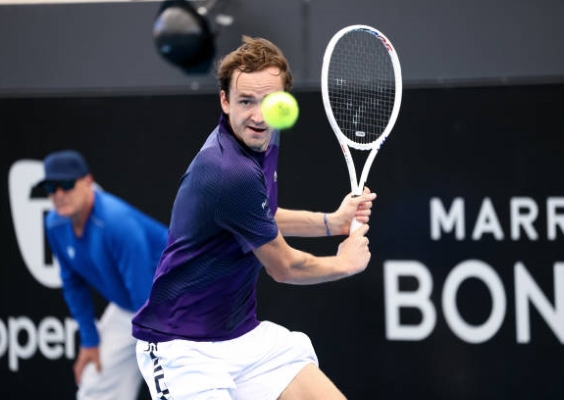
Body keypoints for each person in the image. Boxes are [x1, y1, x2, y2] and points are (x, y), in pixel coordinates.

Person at [132, 36, 376, 400]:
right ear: (225, 100)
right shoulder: (229, 172)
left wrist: (332, 222)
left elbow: (263, 217)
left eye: (270, 103)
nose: (259, 116)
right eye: (246, 101)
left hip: (244, 339)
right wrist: (344, 263)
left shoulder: (263, 140)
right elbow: (284, 267)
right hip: (181, 348)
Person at [36, 150, 169, 400]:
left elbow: (144, 295)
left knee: (181, 386)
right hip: (133, 308)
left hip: (177, 306)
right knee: (94, 382)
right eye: (52, 187)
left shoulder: (117, 223)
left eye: (66, 184)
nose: (59, 194)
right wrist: (89, 340)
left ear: (88, 182)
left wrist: (160, 356)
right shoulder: (54, 223)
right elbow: (72, 282)